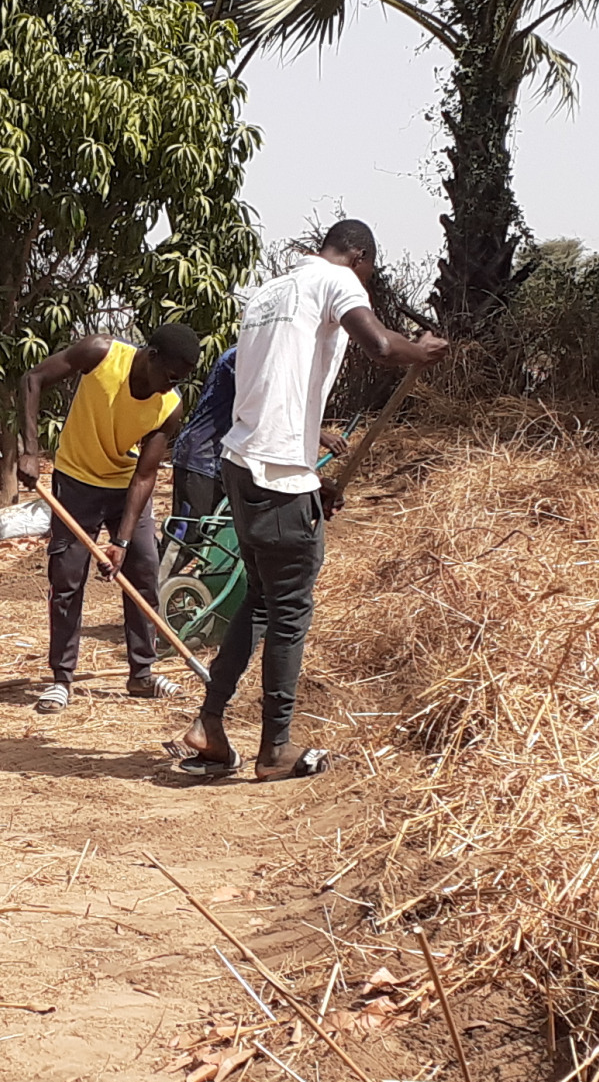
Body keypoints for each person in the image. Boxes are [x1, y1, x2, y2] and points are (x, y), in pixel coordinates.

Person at [172, 223, 447, 780]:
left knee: (258, 602)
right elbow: (378, 344)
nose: (367, 281)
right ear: (360, 257)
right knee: (289, 613)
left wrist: (309, 477)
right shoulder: (336, 280)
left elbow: (277, 387)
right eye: (370, 271)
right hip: (274, 476)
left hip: (243, 463)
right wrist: (419, 350)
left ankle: (209, 724)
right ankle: (275, 749)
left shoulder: (270, 293)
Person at [17, 321, 202, 715]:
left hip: (125, 488)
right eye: (169, 376)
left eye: (180, 381)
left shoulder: (169, 406)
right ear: (151, 356)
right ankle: (61, 679)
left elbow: (145, 475)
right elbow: (32, 380)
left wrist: (121, 541)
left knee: (144, 570)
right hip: (76, 482)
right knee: (67, 578)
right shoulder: (100, 354)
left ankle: (142, 674)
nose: (171, 387)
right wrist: (29, 450)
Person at [166, 344, 238, 527]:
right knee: (185, 538)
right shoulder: (240, 356)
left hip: (226, 461)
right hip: (202, 457)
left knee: (223, 538)